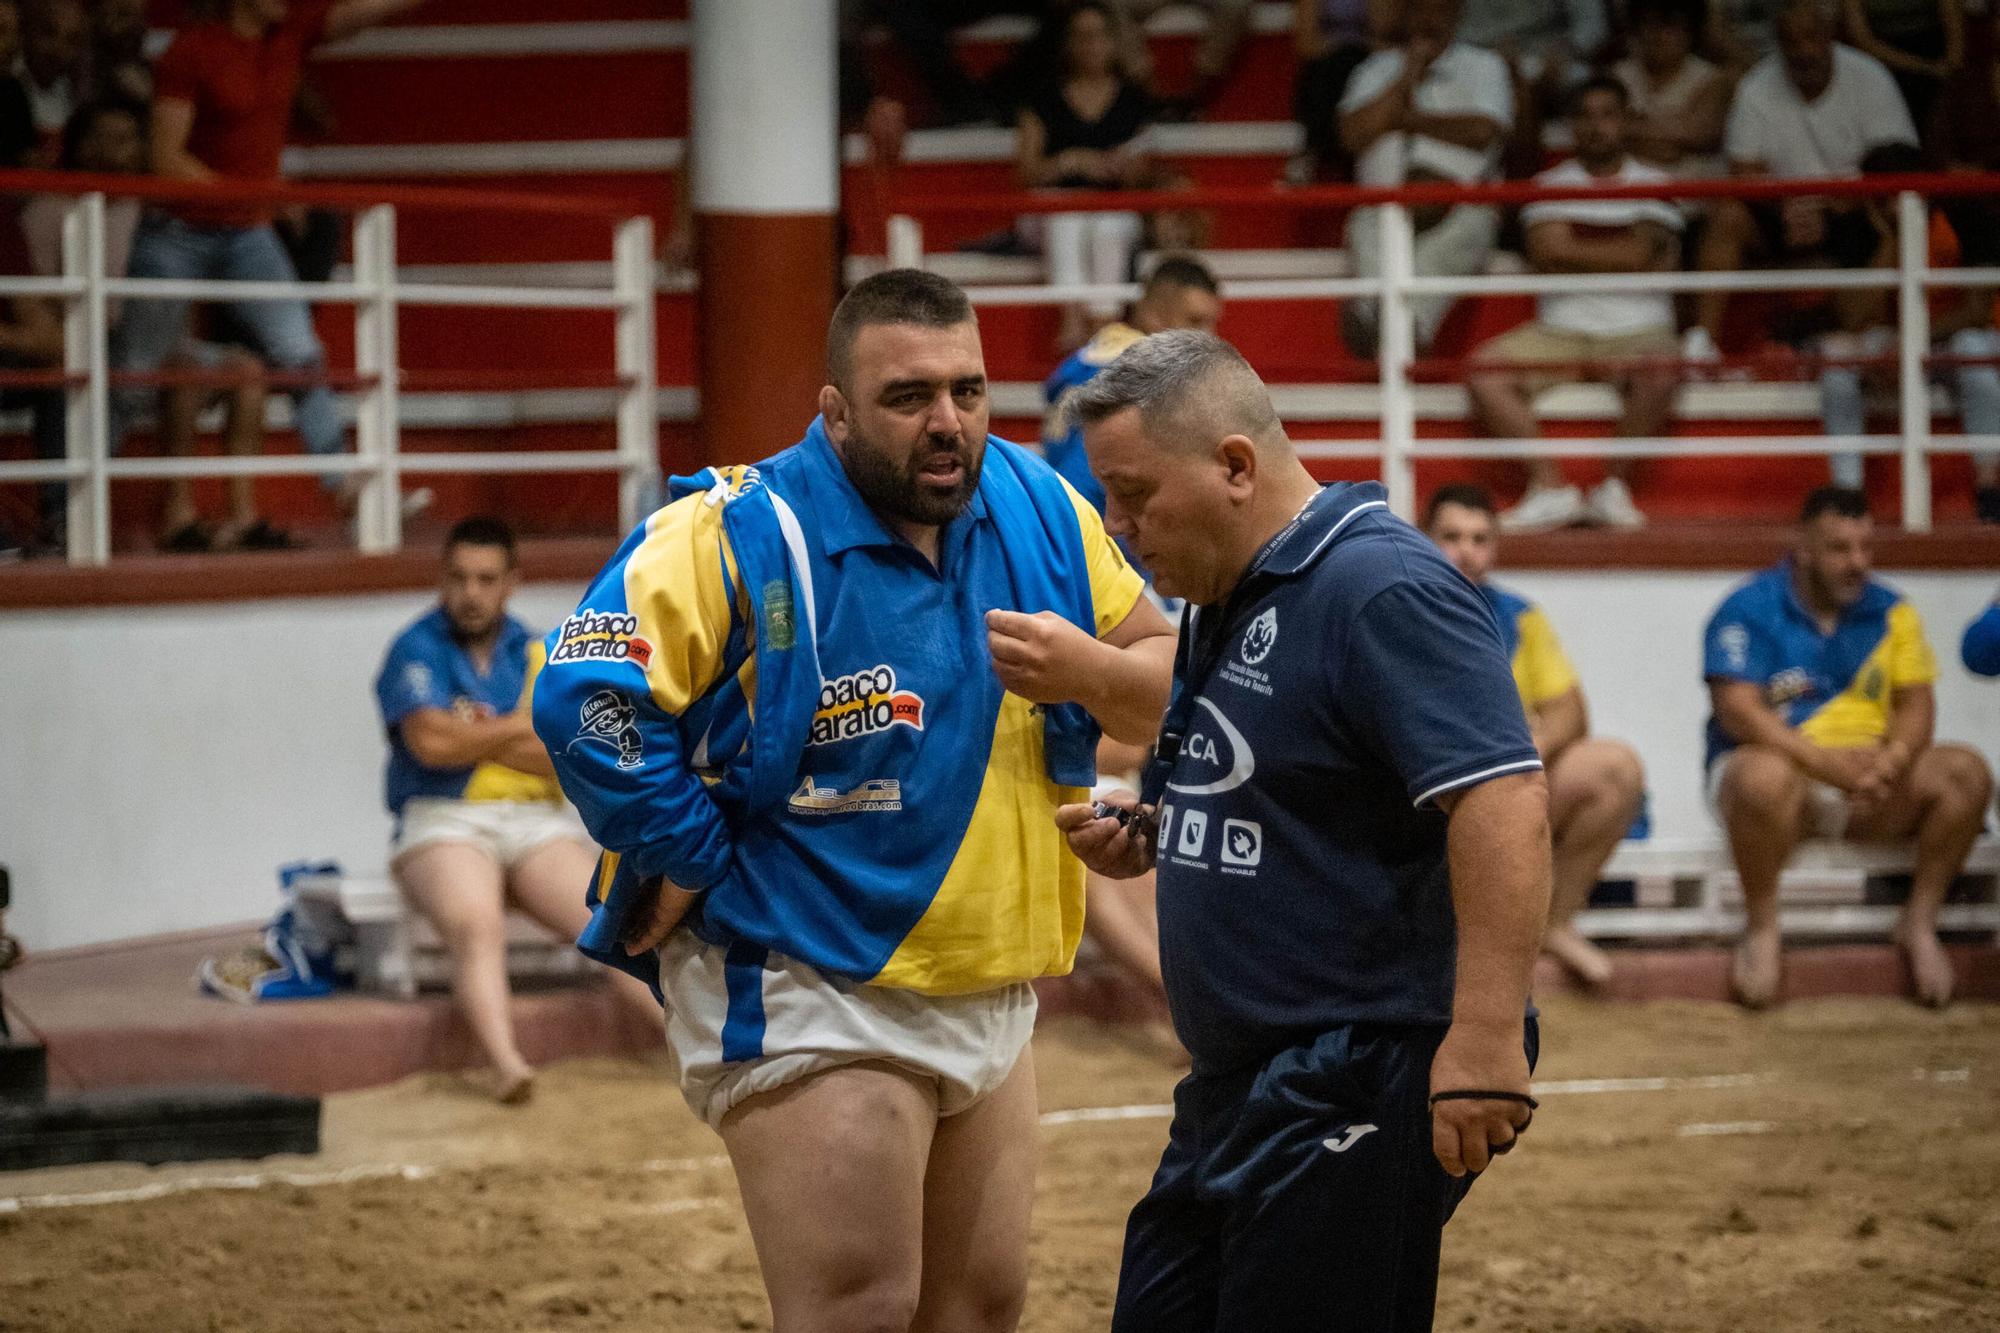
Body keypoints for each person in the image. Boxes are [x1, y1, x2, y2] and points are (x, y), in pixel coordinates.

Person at [532, 269, 1177, 1331]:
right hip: (809, 973)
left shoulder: (1038, 502)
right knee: (859, 1307)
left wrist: (1084, 672)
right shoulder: (730, 528)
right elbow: (585, 701)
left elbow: (1159, 679)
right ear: (832, 411)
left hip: (992, 973)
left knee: (977, 1308)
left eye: (967, 391)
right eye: (907, 397)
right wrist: (692, 855)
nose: (946, 424)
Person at [1060, 330, 1550, 1332]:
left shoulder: (1380, 587)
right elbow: (1283, 773)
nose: (1118, 524)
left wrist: (1487, 1035)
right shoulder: (1222, 591)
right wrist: (1161, 822)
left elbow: (1500, 800)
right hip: (1238, 1079)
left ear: (1233, 465)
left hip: (1358, 1060)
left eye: (1134, 493)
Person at [114, 0, 430, 525]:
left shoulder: (289, 33)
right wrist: (259, 193)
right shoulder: (190, 53)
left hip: (245, 232)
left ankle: (348, 492)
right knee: (132, 374)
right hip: (178, 231)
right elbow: (164, 158)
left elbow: (364, 12)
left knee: (301, 353)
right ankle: (65, 504)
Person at [375, 518, 657, 1105]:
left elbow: (564, 757)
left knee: (614, 924)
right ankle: (508, 1066)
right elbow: (430, 745)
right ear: (441, 580)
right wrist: (517, 729)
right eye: (458, 578)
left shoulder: (537, 649)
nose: (471, 592)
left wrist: (473, 733)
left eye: (485, 579)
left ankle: (691, 1050)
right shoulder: (415, 647)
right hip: (441, 818)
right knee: (477, 926)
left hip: (532, 822)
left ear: (511, 584)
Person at [1702, 485, 1992, 1008]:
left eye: (1865, 548)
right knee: (1758, 777)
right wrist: (1824, 765)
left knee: (1966, 773)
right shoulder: (1748, 607)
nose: (1857, 563)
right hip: (1790, 791)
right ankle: (1763, 928)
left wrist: (1893, 761)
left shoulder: (1892, 611)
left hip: (1873, 787)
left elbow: (1916, 704)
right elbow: (1738, 710)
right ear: (1804, 549)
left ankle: (1919, 923)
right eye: (1840, 549)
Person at [19, 98, 287, 552]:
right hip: (95, 343)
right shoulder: (45, 211)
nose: (111, 151)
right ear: (75, 145)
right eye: (98, 138)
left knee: (247, 370)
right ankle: (174, 517)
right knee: (173, 374)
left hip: (163, 343)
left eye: (124, 140)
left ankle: (242, 517)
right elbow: (42, 301)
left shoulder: (160, 209)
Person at [1425, 484, 1644, 988]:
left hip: (1501, 791)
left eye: (1480, 539)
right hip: (1420, 800)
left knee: (1614, 769)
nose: (1466, 551)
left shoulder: (1519, 616)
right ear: (1423, 539)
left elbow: (1570, 710)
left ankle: (1553, 921)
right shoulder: (1392, 605)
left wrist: (1524, 756)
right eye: (1452, 537)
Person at [1466, 76, 1684, 532]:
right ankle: (1550, 489)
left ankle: (1612, 489)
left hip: (1639, 331)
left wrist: (1576, 244)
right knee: (1485, 369)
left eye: (1607, 114)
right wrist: (1625, 247)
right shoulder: (1549, 183)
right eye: (1585, 115)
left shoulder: (1658, 182)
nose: (1595, 126)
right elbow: (1548, 251)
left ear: (1626, 121)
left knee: (1665, 367)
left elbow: (1642, 253)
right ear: (1570, 125)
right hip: (1560, 332)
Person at [1683, 0, 1918, 364]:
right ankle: (1703, 344)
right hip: (1782, 210)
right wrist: (1786, 205)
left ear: (1831, 36)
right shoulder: (1756, 86)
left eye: (1812, 38)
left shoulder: (1870, 78)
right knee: (1728, 215)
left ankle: (1872, 338)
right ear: (1778, 42)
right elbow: (1742, 170)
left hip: (1853, 208)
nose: (1804, 51)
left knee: (1897, 216)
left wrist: (1829, 204)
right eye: (1792, 41)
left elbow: (1897, 164)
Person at [1814, 142, 2000, 500]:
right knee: (1835, 353)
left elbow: (1977, 312)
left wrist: (1913, 340)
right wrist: (1891, 239)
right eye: (1882, 196)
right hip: (1896, 344)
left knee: (1970, 347)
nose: (1894, 203)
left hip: (1961, 339)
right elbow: (1851, 317)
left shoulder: (1965, 213)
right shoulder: (1860, 227)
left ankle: (1991, 484)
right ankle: (1846, 493)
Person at [1338, 0, 1514, 358]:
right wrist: (1407, 74)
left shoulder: (1484, 66)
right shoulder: (1375, 69)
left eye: (1439, 9)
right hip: (1383, 206)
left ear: (1457, 13)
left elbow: (1484, 130)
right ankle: (1380, 321)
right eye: (1420, 8)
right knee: (1364, 226)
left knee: (1461, 234)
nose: (1429, 18)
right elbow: (1353, 133)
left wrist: (1408, 119)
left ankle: (1402, 328)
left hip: (1462, 205)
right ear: (1407, 13)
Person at [1016, 1, 1164, 349]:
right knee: (1067, 214)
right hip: (1051, 210)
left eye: (1099, 35)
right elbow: (1026, 172)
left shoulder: (1133, 98)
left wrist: (1125, 169)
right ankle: (1072, 318)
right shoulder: (1043, 98)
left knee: (1109, 223)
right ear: (1067, 43)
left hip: (1111, 204)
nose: (1091, 45)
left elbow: (1149, 170)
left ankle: (1103, 324)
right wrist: (1070, 162)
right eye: (1081, 36)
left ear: (1114, 41)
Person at [1043, 254, 1224, 517]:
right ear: (1154, 316)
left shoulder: (1088, 359)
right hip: (1092, 535)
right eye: (1195, 321)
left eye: (1211, 323)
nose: (1210, 336)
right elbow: (1081, 482)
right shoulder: (1137, 378)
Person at [1614, 0, 1731, 180]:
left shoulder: (1712, 78)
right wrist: (1675, 132)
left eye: (1669, 25)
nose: (1657, 35)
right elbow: (1605, 129)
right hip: (1631, 187)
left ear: (1690, 32)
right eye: (1649, 23)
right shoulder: (1616, 76)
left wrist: (1634, 125)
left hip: (1693, 189)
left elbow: (1699, 133)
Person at [1839, 0, 1963, 141]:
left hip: (1936, 53)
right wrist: (1923, 67)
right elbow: (1863, 39)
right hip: (1887, 63)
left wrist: (1952, 65)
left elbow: (1954, 21)